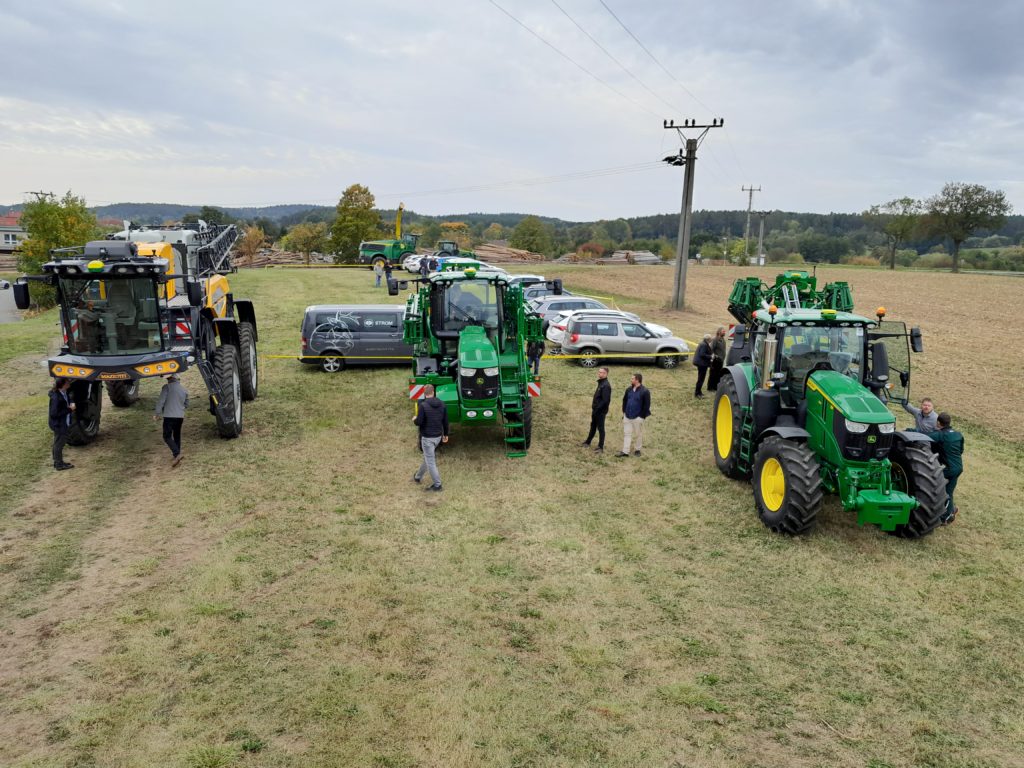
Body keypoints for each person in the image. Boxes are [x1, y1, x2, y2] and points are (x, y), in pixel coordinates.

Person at [927, 412, 964, 525]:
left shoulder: (940, 435)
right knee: (949, 491)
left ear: (938, 422)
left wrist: (911, 430)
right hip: (958, 467)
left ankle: (946, 516)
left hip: (949, 469)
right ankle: (950, 511)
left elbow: (924, 435)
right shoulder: (958, 434)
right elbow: (961, 450)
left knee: (934, 485)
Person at [413, 384, 449, 491]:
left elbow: (419, 422)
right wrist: (446, 435)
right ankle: (417, 477)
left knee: (430, 461)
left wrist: (414, 419)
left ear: (424, 393)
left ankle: (437, 485)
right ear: (433, 392)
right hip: (438, 437)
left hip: (427, 438)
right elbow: (445, 422)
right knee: (428, 458)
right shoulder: (442, 404)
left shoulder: (423, 406)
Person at [154, 373, 189, 466]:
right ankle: (177, 455)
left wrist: (157, 413)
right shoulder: (184, 389)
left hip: (169, 416)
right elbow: (186, 404)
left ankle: (177, 453)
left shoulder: (166, 387)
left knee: (167, 436)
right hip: (180, 416)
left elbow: (161, 401)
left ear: (170, 378)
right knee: (177, 435)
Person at [617, 372, 651, 457]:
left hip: (637, 417)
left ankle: (637, 450)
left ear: (637, 380)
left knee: (638, 434)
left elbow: (647, 405)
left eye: (632, 378)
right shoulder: (628, 389)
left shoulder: (645, 391)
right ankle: (625, 451)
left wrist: (641, 416)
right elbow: (624, 400)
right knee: (627, 434)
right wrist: (624, 412)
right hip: (627, 416)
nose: (631, 380)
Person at [48, 378, 76, 470]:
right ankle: (59, 464)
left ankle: (57, 462)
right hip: (59, 425)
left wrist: (71, 403)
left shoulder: (63, 392)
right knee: (59, 444)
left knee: (58, 443)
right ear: (63, 384)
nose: (69, 383)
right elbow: (54, 414)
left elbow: (68, 399)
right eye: (67, 382)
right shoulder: (56, 397)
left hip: (62, 423)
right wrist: (69, 409)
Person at [582, 367, 611, 452]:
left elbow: (605, 400)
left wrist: (598, 409)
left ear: (606, 374)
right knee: (593, 426)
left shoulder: (606, 385)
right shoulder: (601, 383)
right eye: (599, 372)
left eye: (601, 372)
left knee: (601, 428)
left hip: (600, 411)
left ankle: (600, 447)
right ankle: (588, 442)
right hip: (596, 410)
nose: (599, 374)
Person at [693, 333, 714, 398]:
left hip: (701, 364)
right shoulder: (704, 345)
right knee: (701, 379)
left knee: (701, 379)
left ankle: (699, 392)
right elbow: (702, 354)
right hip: (702, 364)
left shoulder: (703, 343)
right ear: (708, 339)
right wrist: (711, 356)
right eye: (711, 339)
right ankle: (697, 393)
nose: (711, 340)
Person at [707, 326, 728, 391]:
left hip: (721, 361)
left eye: (725, 331)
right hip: (715, 360)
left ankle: (715, 387)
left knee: (718, 374)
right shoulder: (715, 339)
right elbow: (710, 349)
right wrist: (715, 356)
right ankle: (710, 387)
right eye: (723, 331)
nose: (724, 332)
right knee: (713, 374)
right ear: (719, 332)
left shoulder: (723, 340)